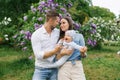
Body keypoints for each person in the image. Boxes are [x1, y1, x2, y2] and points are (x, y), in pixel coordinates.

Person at [31, 10, 63, 80]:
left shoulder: (57, 33)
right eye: (57, 21)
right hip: (41, 69)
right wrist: (55, 51)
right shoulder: (36, 35)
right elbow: (39, 55)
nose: (58, 24)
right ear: (51, 20)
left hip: (54, 68)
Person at [57, 16, 87, 80]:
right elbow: (57, 57)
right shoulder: (60, 39)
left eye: (63, 23)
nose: (61, 25)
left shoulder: (79, 36)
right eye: (60, 23)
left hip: (76, 66)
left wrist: (83, 53)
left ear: (69, 24)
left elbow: (84, 55)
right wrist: (62, 53)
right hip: (63, 67)